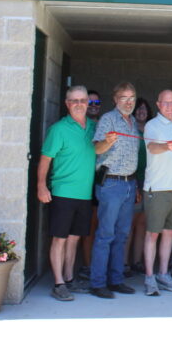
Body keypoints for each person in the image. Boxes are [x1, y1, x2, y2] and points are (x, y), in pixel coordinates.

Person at [37, 86, 97, 301]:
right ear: (67, 103)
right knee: (60, 239)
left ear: (88, 103)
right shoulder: (59, 129)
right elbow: (45, 159)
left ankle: (70, 279)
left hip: (84, 194)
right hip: (62, 192)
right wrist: (41, 185)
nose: (79, 104)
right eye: (74, 100)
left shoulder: (93, 128)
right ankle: (58, 283)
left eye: (83, 100)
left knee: (74, 239)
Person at [89, 82, 140, 298]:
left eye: (132, 98)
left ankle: (116, 279)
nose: (128, 102)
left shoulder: (134, 122)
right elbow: (96, 148)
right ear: (115, 99)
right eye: (124, 98)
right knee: (106, 235)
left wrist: (135, 184)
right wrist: (107, 142)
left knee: (122, 235)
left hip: (129, 183)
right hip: (111, 183)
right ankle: (98, 283)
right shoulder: (108, 119)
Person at [141, 89, 172, 296]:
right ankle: (149, 277)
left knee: (169, 233)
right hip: (157, 188)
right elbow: (152, 147)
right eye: (165, 103)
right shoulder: (152, 125)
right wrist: (166, 146)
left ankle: (163, 273)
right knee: (153, 234)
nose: (169, 106)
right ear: (158, 104)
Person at [78, 89, 104, 278]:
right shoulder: (81, 126)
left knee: (102, 227)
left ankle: (98, 267)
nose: (94, 107)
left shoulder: (104, 125)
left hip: (102, 181)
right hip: (82, 183)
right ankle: (87, 266)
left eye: (97, 103)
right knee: (89, 228)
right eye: (91, 103)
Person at [128, 97, 153, 275]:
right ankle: (123, 263)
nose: (141, 111)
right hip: (133, 180)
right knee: (130, 223)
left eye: (144, 108)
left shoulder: (152, 130)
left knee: (143, 223)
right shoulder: (129, 129)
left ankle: (137, 261)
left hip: (150, 181)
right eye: (138, 108)